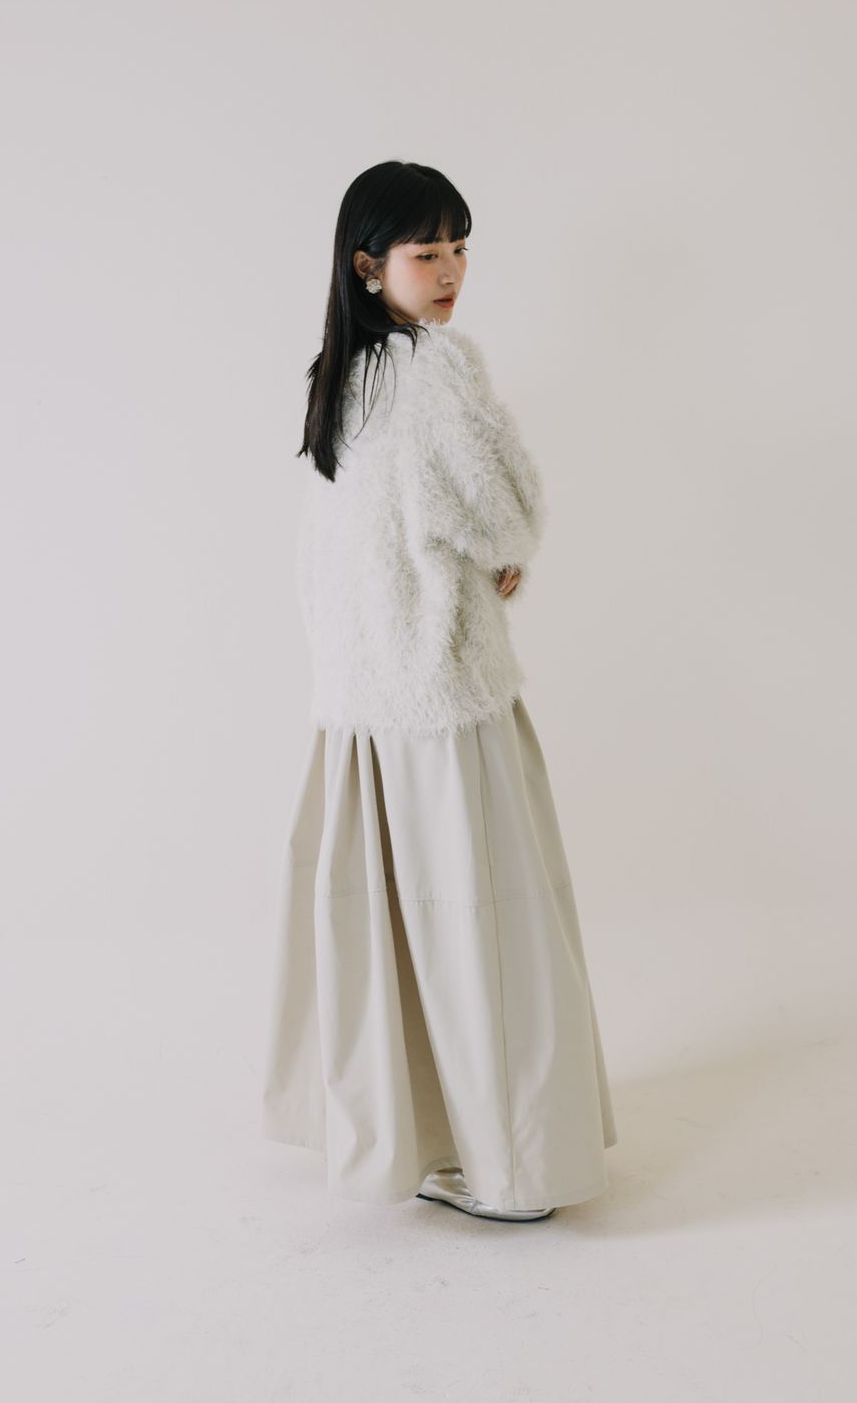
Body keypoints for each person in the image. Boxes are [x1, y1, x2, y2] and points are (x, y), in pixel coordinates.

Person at [261, 160, 617, 1221]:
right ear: (369, 265)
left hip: (363, 697)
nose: (453, 270)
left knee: (394, 927)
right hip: (441, 688)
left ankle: (412, 1136)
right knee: (484, 926)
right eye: (428, 251)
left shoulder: (341, 377)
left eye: (461, 247)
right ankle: (511, 1166)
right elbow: (502, 506)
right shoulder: (433, 368)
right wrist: (506, 551)